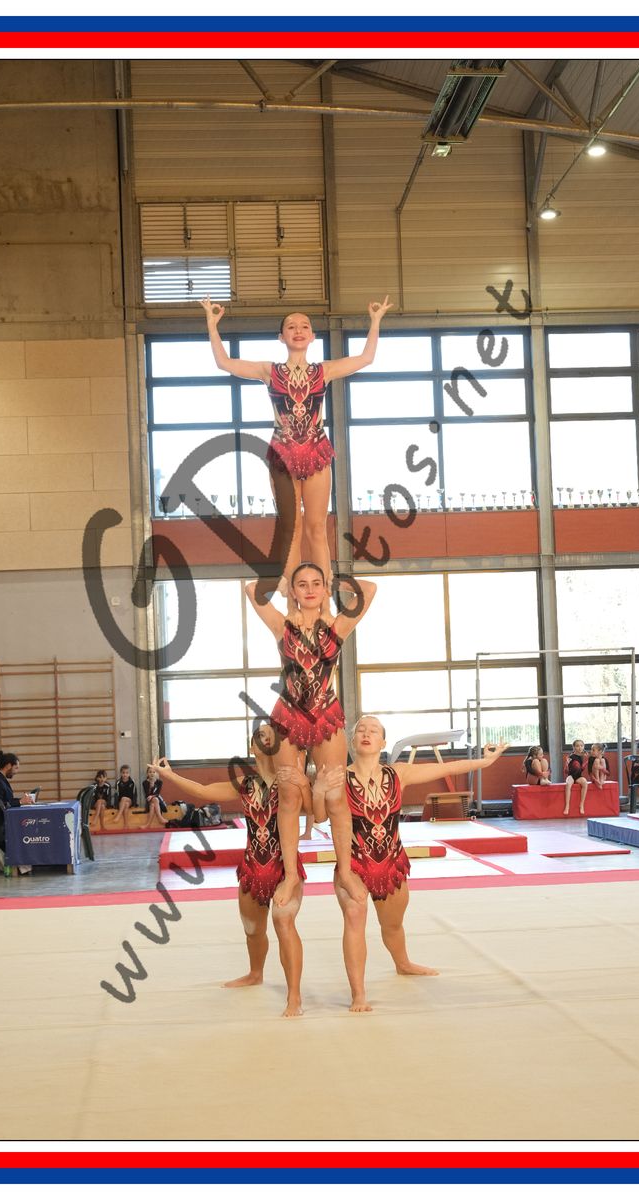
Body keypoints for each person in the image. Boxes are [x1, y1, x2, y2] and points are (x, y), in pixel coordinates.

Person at [201, 296, 393, 591]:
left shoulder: (324, 371)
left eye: (304, 326)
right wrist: (212, 325)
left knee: (317, 527)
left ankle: (323, 596)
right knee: (291, 528)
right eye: (291, 326)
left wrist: (376, 321)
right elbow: (224, 363)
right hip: (283, 453)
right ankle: (293, 598)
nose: (298, 330)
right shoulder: (270, 371)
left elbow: (366, 358)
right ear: (282, 337)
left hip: (316, 451)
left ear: (313, 336)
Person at [330, 715, 509, 1012]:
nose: (366, 733)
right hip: (354, 864)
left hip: (391, 861)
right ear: (352, 741)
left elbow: (447, 767)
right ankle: (358, 994)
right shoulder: (340, 778)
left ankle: (403, 963)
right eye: (360, 730)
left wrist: (485, 762)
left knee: (392, 925)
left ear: (383, 742)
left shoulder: (398, 773)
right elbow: (320, 813)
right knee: (354, 916)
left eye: (373, 730)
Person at [149, 723, 309, 1017]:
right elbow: (203, 790)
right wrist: (169, 775)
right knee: (252, 930)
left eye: (272, 737)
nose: (267, 740)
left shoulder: (289, 780)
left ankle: (294, 996)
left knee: (284, 923)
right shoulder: (245, 783)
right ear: (252, 747)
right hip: (252, 865)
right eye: (261, 736)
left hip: (283, 866)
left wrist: (305, 782)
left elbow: (314, 811)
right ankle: (255, 973)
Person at [245, 562, 377, 908]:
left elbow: (370, 590)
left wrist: (336, 581)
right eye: (302, 584)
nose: (309, 589)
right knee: (289, 794)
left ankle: (345, 870)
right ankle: (291, 874)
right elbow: (251, 590)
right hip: (288, 715)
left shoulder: (337, 626)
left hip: (325, 714)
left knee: (335, 794)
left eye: (316, 583)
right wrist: (281, 582)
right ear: (293, 590)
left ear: (323, 588)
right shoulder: (282, 626)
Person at [0, 750, 36, 875]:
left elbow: (6, 801)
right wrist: (20, 802)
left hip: (2, 819)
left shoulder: (0, 779)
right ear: (8, 766)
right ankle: (23, 863)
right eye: (15, 768)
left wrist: (21, 801)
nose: (16, 772)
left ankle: (29, 861)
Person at [563, 739, 589, 816]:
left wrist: (586, 761)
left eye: (581, 746)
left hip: (578, 777)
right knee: (568, 784)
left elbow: (581, 769)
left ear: (583, 747)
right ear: (574, 747)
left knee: (585, 783)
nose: (580, 747)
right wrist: (566, 764)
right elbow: (566, 771)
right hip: (571, 776)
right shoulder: (571, 756)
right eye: (577, 746)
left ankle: (581, 804)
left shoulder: (583, 756)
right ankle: (567, 806)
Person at [138, 765, 168, 830]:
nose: (152, 773)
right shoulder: (145, 783)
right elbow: (147, 795)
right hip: (149, 800)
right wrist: (151, 787)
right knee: (153, 801)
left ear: (156, 773)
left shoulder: (159, 782)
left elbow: (157, 793)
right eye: (150, 772)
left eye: (154, 772)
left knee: (153, 803)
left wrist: (152, 794)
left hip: (158, 801)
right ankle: (160, 818)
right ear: (147, 773)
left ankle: (148, 824)